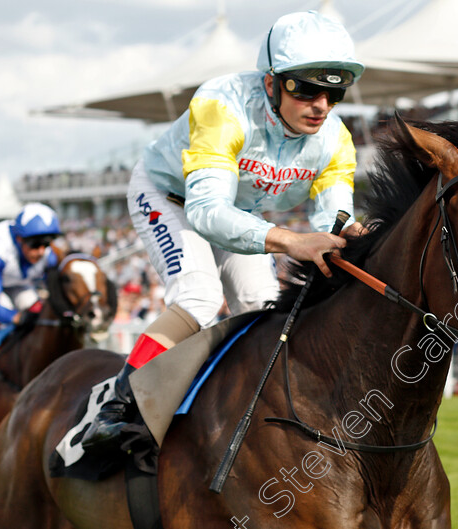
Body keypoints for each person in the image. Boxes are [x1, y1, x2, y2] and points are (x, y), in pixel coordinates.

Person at [82, 10, 365, 452]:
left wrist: (350, 234)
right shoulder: (222, 105)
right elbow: (207, 212)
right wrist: (290, 241)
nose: (321, 106)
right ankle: (117, 404)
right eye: (307, 89)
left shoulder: (336, 139)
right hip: (170, 196)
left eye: (334, 93)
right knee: (199, 296)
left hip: (238, 210)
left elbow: (334, 218)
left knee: (263, 307)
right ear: (271, 83)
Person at [0, 203, 61, 339]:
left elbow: (54, 292)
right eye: (35, 244)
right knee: (4, 316)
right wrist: (15, 317)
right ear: (19, 239)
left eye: (46, 243)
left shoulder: (49, 256)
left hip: (19, 285)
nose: (41, 251)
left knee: (36, 308)